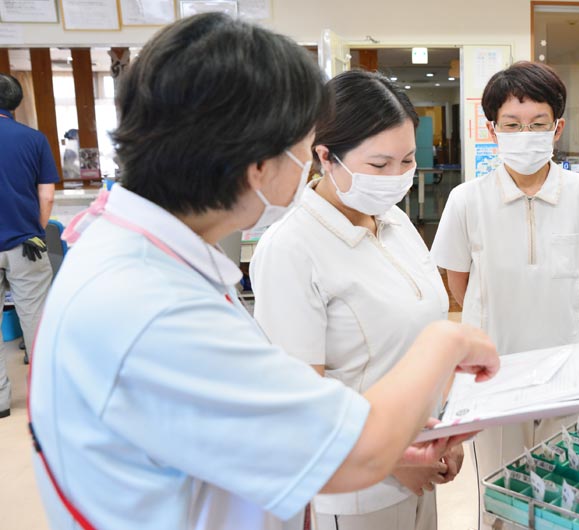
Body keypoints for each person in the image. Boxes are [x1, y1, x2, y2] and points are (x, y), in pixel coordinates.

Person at [28, 14, 499, 530]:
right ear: (258, 163)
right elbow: (349, 452)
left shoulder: (141, 254)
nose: (308, 163)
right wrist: (446, 344)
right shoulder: (149, 304)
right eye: (304, 145)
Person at [250, 70, 458, 530]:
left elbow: (422, 338)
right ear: (325, 156)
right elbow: (300, 400)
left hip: (425, 456)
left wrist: (446, 429)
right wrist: (390, 459)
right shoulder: (292, 248)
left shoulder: (396, 223)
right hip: (360, 490)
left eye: (407, 160)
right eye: (380, 165)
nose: (398, 177)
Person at [430, 61, 579, 528]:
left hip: (572, 376)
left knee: (570, 496)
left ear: (557, 128)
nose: (526, 134)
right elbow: (457, 284)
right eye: (513, 125)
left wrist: (566, 317)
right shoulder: (467, 200)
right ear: (492, 129)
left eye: (538, 124)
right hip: (493, 379)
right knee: (500, 500)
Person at [0, 73, 58, 417]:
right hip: (26, 246)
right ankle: (45, 397)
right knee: (37, 321)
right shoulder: (34, 139)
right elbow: (47, 196)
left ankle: (1, 403)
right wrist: (33, 229)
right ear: (17, 103)